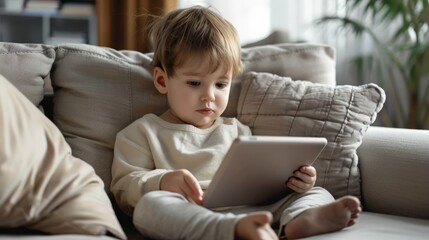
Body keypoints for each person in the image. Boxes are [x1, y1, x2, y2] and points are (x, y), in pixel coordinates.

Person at [110, 6, 361, 240]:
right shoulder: (143, 132)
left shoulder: (236, 129)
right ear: (163, 81)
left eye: (220, 84)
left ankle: (300, 220)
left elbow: (261, 178)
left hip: (252, 207)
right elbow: (123, 189)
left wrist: (296, 180)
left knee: (317, 193)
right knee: (149, 208)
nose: (209, 95)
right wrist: (162, 181)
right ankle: (233, 230)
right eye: (194, 83)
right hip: (190, 211)